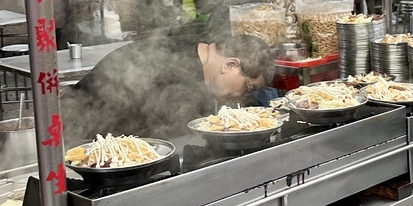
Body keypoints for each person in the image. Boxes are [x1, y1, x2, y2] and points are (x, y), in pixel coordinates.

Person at [60, 29, 275, 143]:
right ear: (230, 64)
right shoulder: (177, 76)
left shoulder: (194, 51)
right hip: (84, 146)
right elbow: (178, 142)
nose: (243, 97)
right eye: (248, 88)